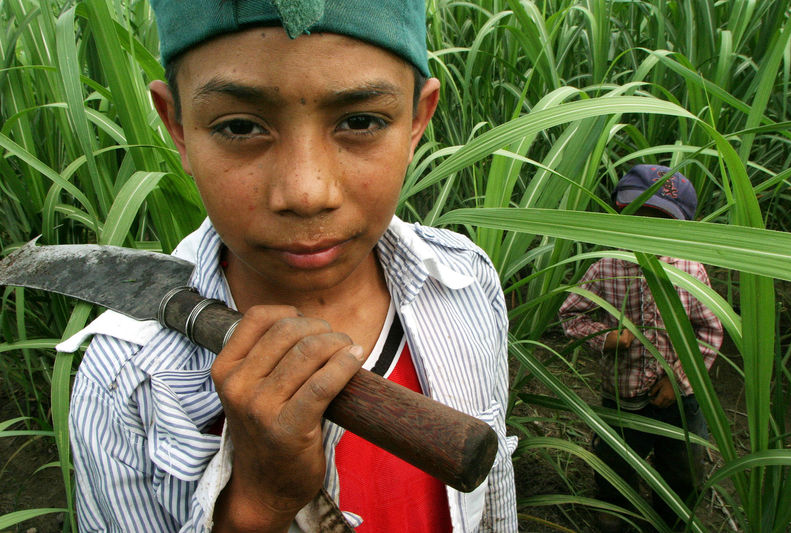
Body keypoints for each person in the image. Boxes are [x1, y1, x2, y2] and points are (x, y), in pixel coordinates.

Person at [61, 1, 517, 531]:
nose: (306, 192)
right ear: (178, 127)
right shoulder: (126, 382)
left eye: (361, 121)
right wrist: (258, 504)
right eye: (239, 127)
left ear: (417, 119)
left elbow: (493, 499)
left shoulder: (463, 281)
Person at [558, 165, 723, 532]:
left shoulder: (689, 271)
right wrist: (607, 337)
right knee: (614, 469)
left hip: (680, 405)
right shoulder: (607, 268)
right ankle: (615, 520)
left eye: (659, 219)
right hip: (620, 397)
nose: (645, 228)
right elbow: (571, 315)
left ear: (679, 227)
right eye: (637, 215)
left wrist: (677, 380)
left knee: (683, 473)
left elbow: (709, 330)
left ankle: (673, 523)